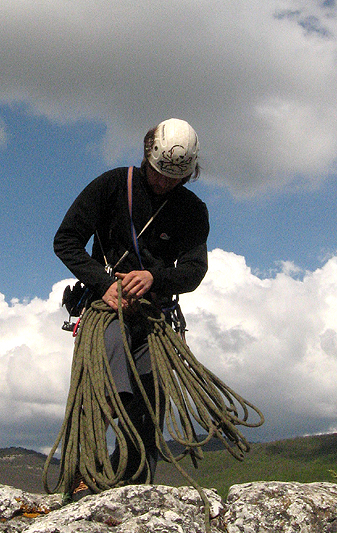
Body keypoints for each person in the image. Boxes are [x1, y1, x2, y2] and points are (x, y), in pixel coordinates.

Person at [54, 118, 210, 500]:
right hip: (106, 311)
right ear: (147, 157)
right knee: (109, 380)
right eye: (159, 174)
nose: (164, 183)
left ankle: (135, 485)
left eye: (176, 177)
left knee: (149, 399)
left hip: (155, 317)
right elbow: (67, 240)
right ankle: (84, 476)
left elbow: (193, 269)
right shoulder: (111, 186)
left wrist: (155, 279)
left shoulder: (192, 209)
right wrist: (105, 284)